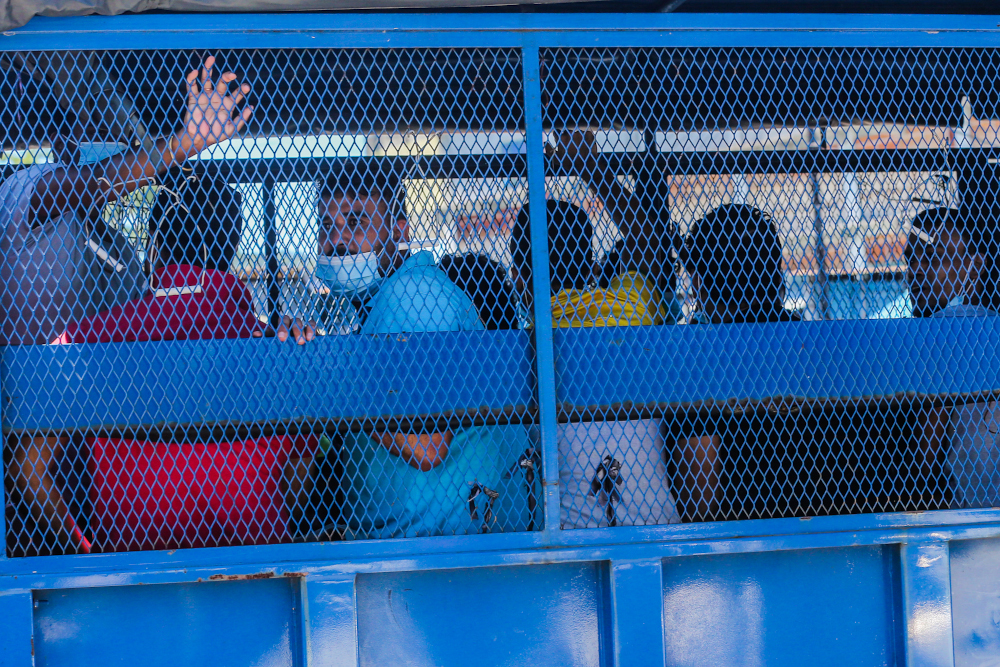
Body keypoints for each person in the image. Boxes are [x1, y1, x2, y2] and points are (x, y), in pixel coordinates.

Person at [4, 56, 256, 554]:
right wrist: (182, 146)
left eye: (129, 143)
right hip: (23, 438)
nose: (125, 155)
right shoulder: (26, 194)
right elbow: (92, 183)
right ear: (66, 145)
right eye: (105, 138)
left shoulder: (121, 254)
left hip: (92, 458)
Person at [11, 164, 318, 553]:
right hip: (261, 561)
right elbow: (297, 477)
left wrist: (85, 551)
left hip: (129, 567)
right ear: (231, 249)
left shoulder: (85, 338)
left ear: (154, 246)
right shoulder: (281, 345)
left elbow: (30, 470)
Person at [288, 164, 533, 539]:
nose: (336, 241)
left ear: (399, 230)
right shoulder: (384, 303)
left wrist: (329, 382)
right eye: (326, 226)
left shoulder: (412, 294)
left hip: (444, 548)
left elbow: (427, 447)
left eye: (356, 221)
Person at [508, 131, 682, 529]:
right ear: (591, 269)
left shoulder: (529, 340)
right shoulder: (631, 307)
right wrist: (591, 168)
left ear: (519, 279)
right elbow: (651, 244)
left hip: (570, 535)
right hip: (657, 525)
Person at [672, 204, 801, 521]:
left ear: (700, 285)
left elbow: (700, 499)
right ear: (776, 276)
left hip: (738, 532)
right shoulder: (805, 338)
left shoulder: (698, 359)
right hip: (831, 523)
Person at [905, 207, 1000, 510]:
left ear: (974, 267)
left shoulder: (950, 325)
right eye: (910, 258)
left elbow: (926, 453)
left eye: (933, 257)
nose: (915, 269)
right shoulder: (988, 326)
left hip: (973, 513)